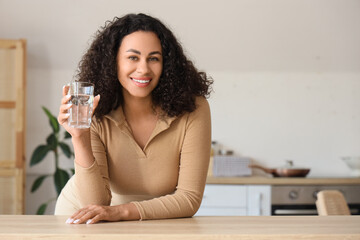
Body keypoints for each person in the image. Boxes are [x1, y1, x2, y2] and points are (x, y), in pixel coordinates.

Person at [56, 13, 213, 224]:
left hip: (150, 218)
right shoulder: (94, 108)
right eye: (133, 57)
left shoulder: (193, 108)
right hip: (81, 214)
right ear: (113, 62)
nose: (143, 69)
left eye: (154, 58)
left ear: (166, 64)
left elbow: (189, 198)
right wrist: (79, 137)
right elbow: (96, 202)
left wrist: (121, 212)